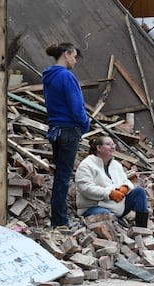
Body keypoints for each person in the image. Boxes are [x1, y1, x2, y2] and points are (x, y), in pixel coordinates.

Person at [42, 42, 90, 229]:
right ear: (67, 54)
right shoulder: (66, 77)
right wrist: (85, 125)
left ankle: (58, 218)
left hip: (55, 129)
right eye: (74, 56)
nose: (75, 61)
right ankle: (60, 221)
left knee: (60, 176)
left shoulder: (48, 76)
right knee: (64, 176)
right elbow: (77, 107)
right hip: (69, 130)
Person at [75, 136, 149, 227]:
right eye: (108, 144)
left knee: (139, 192)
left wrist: (125, 187)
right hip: (95, 207)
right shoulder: (86, 165)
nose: (113, 147)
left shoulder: (116, 165)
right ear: (99, 148)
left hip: (118, 207)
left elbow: (125, 180)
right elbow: (86, 189)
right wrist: (109, 194)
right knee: (108, 216)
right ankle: (118, 223)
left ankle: (142, 228)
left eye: (113, 144)